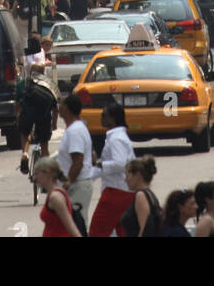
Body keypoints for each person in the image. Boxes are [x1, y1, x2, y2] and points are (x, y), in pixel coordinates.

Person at [88, 102, 135, 237]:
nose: (101, 118)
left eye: (104, 115)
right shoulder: (115, 137)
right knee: (121, 231)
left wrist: (98, 163)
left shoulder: (116, 139)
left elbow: (119, 164)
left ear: (113, 119)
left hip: (116, 192)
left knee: (97, 231)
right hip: (120, 190)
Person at [56, 93, 95, 224]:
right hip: (75, 185)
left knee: (77, 225)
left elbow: (78, 161)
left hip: (77, 186)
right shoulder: (74, 129)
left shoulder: (75, 131)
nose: (58, 107)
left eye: (60, 103)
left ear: (66, 108)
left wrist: (67, 183)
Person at [15, 55, 57, 168]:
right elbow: (55, 107)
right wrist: (54, 124)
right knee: (44, 144)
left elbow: (17, 104)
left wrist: (18, 116)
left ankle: (24, 153)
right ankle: (46, 167)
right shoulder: (49, 84)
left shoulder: (23, 84)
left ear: (31, 71)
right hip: (44, 116)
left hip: (27, 114)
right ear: (43, 72)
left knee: (25, 133)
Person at [33, 157, 84, 238]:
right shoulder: (53, 194)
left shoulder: (55, 197)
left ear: (47, 173)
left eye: (36, 174)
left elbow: (71, 227)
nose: (34, 178)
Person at [119, 157, 162, 237]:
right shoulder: (149, 195)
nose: (125, 180)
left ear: (137, 175)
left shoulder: (141, 196)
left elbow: (145, 229)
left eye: (128, 175)